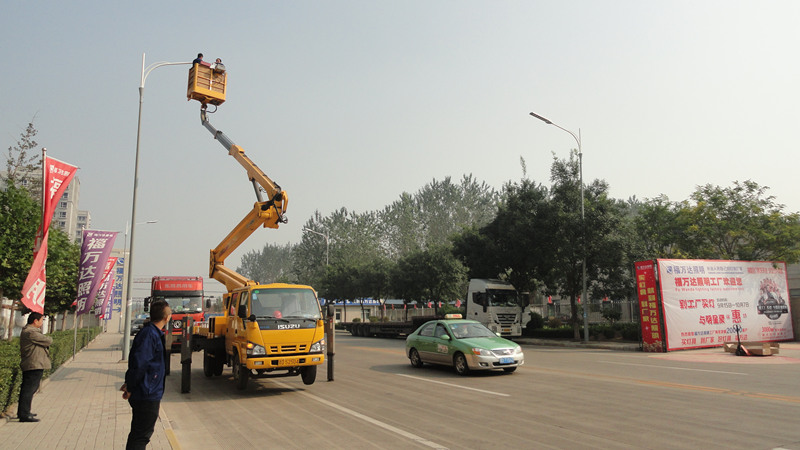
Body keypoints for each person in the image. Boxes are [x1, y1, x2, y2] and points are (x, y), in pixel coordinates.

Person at [121, 300, 172, 450]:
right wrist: (130, 386)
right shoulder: (150, 335)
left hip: (147, 391)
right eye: (170, 314)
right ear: (166, 318)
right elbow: (139, 364)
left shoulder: (152, 333)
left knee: (140, 434)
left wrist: (129, 383)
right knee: (141, 436)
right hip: (146, 393)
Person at [17, 312, 52, 423]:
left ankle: (25, 411)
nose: (42, 323)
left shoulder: (32, 331)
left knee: (30, 389)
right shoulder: (31, 332)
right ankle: (24, 414)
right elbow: (48, 340)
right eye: (41, 320)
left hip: (35, 363)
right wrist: (47, 338)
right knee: (29, 389)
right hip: (33, 364)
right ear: (35, 321)